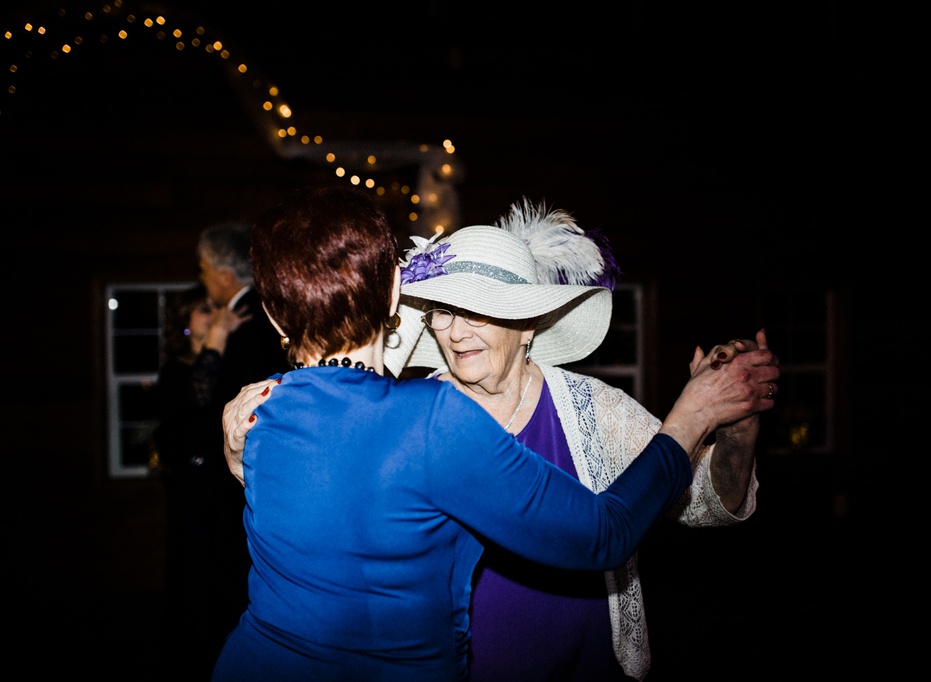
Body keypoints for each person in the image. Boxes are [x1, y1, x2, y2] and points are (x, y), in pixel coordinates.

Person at [212, 184, 779, 681]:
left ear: (529, 321)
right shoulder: (423, 414)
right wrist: (694, 411)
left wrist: (734, 428)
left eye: (481, 310)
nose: (456, 330)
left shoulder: (591, 409)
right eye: (442, 309)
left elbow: (700, 502)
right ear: (402, 301)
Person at [158, 222, 289, 679]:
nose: (203, 279)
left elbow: (223, 404)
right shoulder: (252, 314)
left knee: (224, 581)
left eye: (204, 270)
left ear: (224, 275)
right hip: (215, 480)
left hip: (229, 479)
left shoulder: (248, 319)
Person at [152, 284, 252, 680]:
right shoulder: (176, 371)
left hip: (221, 491)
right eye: (204, 312)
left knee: (225, 580)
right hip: (190, 493)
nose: (215, 317)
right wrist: (217, 340)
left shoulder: (225, 364)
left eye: (216, 309)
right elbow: (196, 405)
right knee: (193, 580)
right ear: (186, 326)